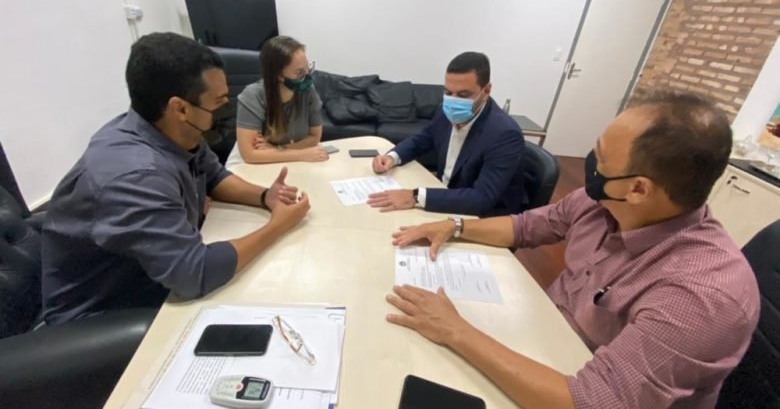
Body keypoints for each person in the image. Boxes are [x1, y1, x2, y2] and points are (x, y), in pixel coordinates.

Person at [384, 92, 760, 408]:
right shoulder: (604, 201)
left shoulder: (702, 295)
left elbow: (590, 401)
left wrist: (456, 331)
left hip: (572, 386)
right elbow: (527, 226)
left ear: (638, 189)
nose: (590, 163)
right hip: (543, 343)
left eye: (601, 157)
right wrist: (456, 226)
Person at [41, 33, 311, 325]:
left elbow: (214, 175)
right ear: (180, 108)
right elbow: (195, 273)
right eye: (218, 102)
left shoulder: (171, 130)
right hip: (103, 315)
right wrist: (277, 226)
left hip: (154, 275)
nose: (226, 110)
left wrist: (264, 196)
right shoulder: (135, 175)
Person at [368, 52, 527, 217]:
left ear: (486, 90)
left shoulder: (504, 134)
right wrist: (392, 157)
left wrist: (415, 196)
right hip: (445, 194)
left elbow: (482, 199)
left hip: (483, 216)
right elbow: (422, 140)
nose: (453, 101)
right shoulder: (445, 111)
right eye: (448, 93)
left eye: (463, 95)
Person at [226, 35, 329, 166]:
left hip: (283, 158)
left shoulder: (308, 91)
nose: (307, 77)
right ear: (277, 75)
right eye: (299, 73)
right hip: (249, 165)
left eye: (307, 68)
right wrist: (301, 154)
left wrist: (278, 149)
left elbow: (314, 137)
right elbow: (250, 154)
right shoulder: (253, 95)